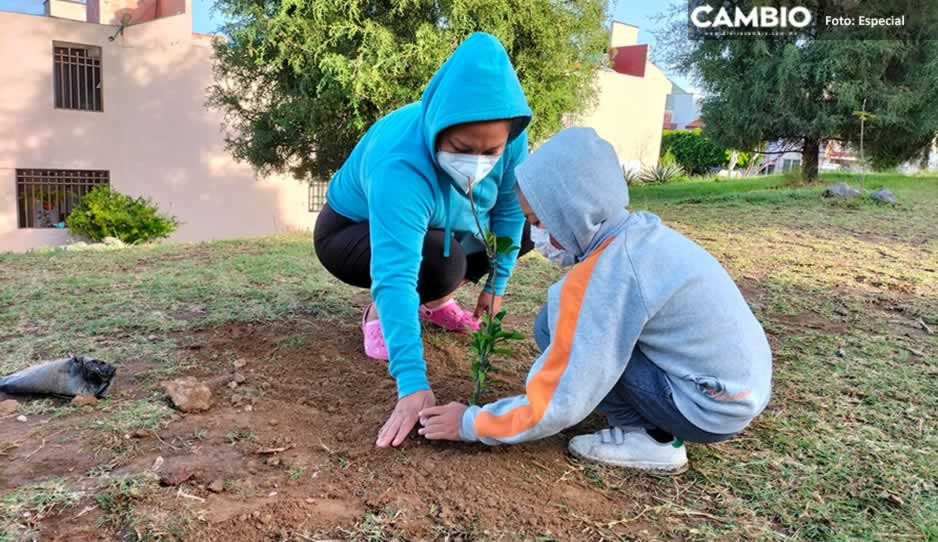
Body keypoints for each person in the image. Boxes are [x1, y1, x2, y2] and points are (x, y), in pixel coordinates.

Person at [418, 128, 773, 473]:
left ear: (572, 212)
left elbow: (561, 400)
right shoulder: (640, 234)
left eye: (539, 220)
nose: (537, 235)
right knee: (552, 320)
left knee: (565, 331)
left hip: (705, 408)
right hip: (736, 392)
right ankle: (652, 419)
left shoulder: (609, 273)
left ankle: (652, 439)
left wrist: (470, 423)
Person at [314, 33, 534, 448]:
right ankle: (379, 314)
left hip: (442, 229)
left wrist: (496, 286)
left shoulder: (512, 138)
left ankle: (433, 303)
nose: (477, 162)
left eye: (491, 151)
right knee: (439, 264)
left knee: (524, 229)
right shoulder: (400, 162)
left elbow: (507, 212)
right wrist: (412, 383)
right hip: (349, 233)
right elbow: (396, 273)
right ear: (437, 129)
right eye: (462, 147)